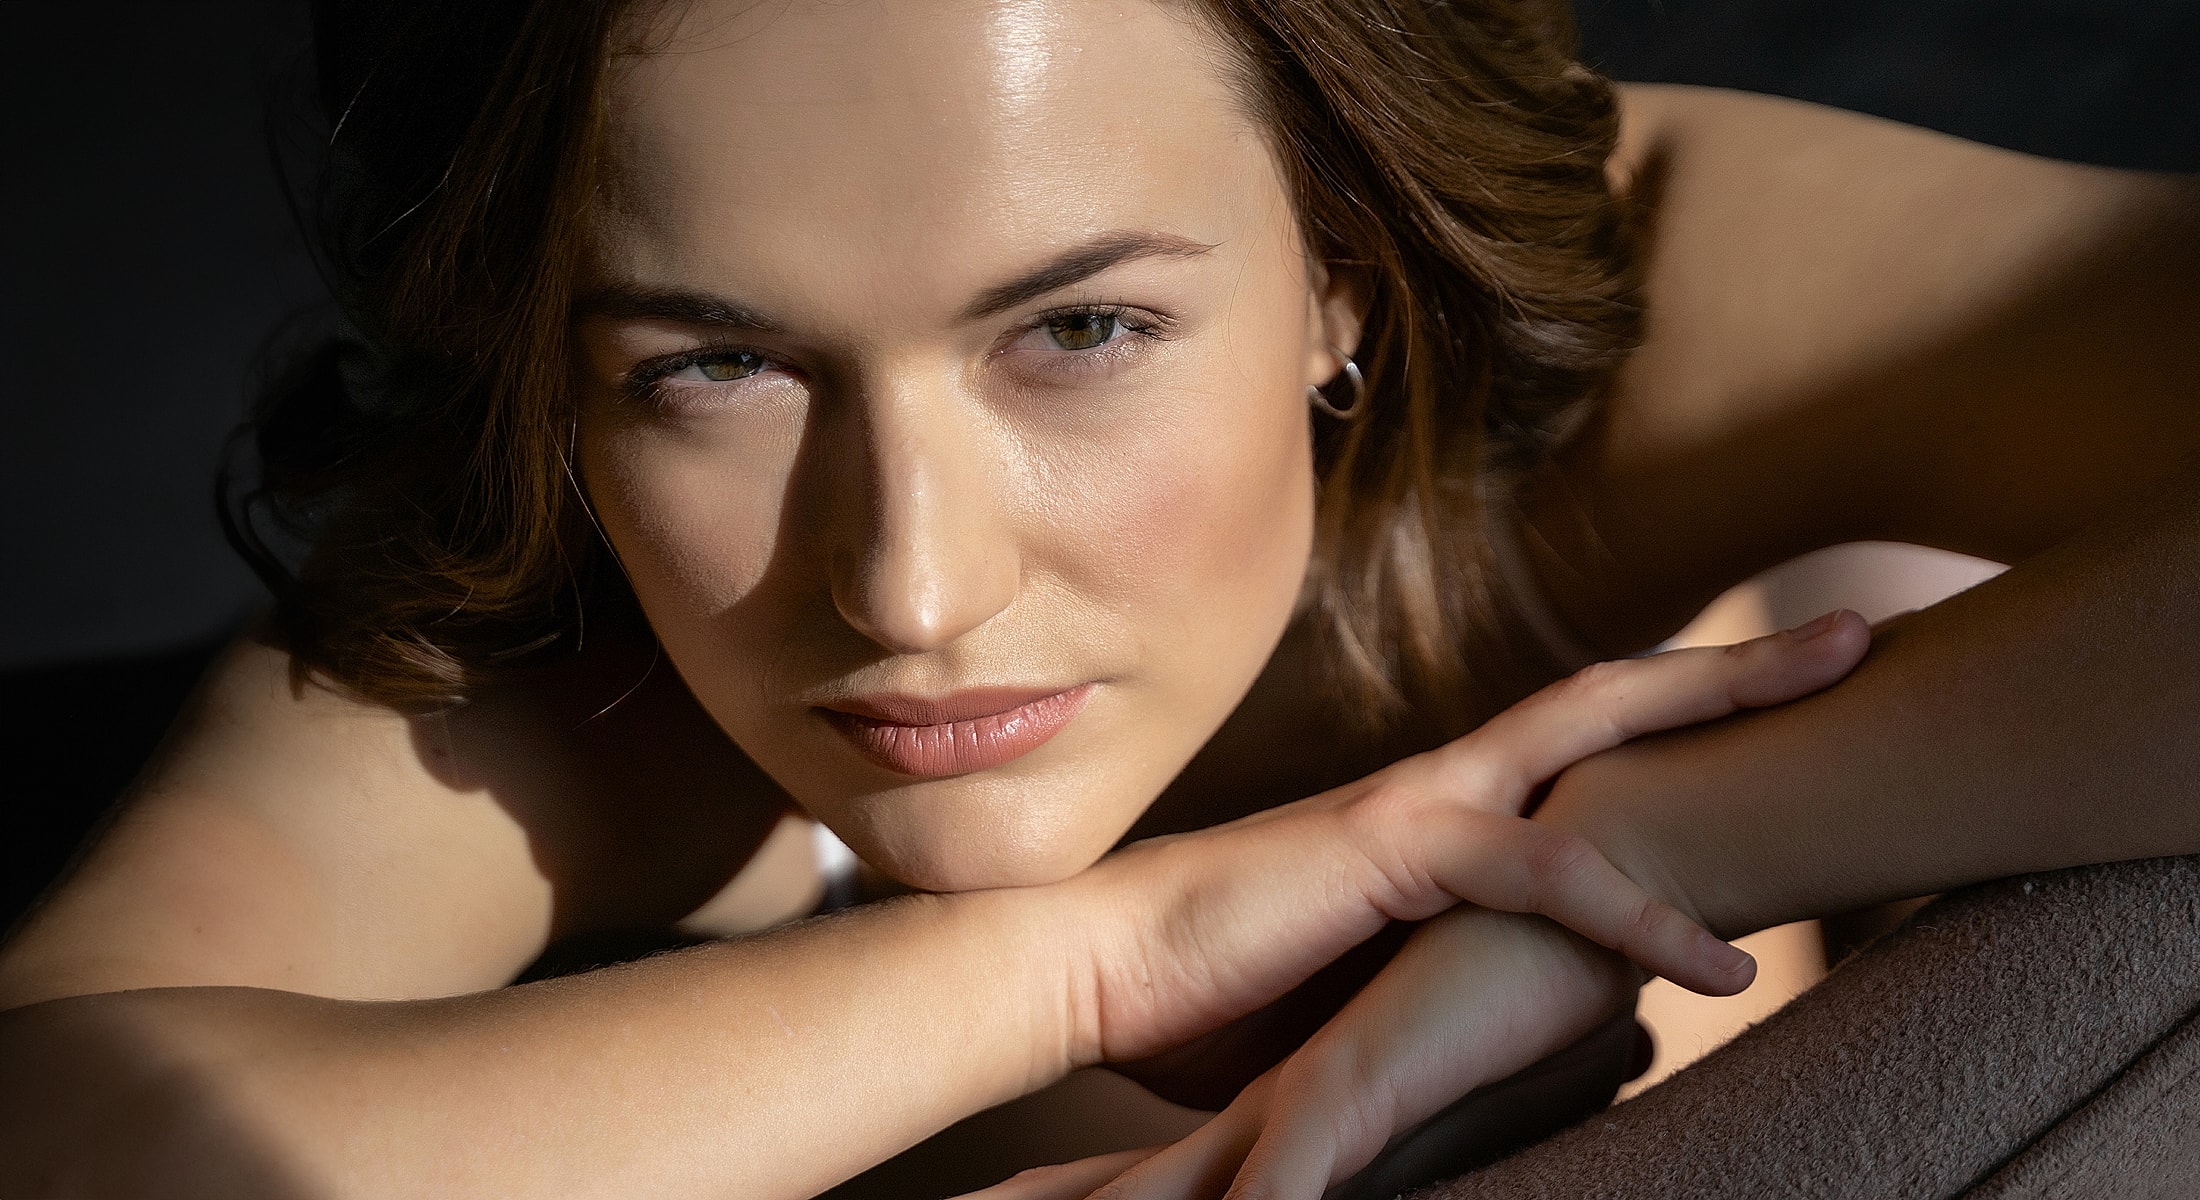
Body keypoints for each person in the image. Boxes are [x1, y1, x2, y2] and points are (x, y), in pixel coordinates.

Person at [2, 2, 2196, 1198]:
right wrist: (1106, 957)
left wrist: (1620, 842)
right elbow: (83, 1140)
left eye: (1079, 332)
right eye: (715, 365)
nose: (907, 582)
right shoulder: (562, 620)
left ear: (1342, 260)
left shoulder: (1663, 305)